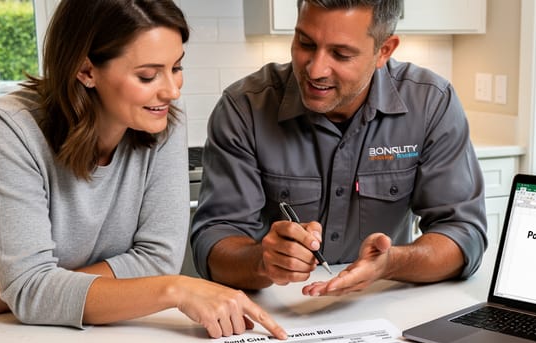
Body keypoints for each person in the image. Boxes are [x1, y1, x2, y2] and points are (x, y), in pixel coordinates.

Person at [0, 0, 285, 340]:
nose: (172, 91)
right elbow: (32, 289)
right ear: (86, 71)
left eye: (176, 68)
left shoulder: (163, 120)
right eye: (148, 76)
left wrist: (11, 293)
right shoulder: (10, 126)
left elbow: (158, 259)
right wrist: (176, 288)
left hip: (42, 314)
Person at [190, 0, 487, 298]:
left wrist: (391, 263)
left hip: (381, 308)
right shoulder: (244, 108)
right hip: (275, 314)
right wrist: (261, 261)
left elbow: (463, 234)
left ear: (383, 50)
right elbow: (213, 241)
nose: (315, 69)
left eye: (341, 54)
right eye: (305, 43)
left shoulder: (432, 104)